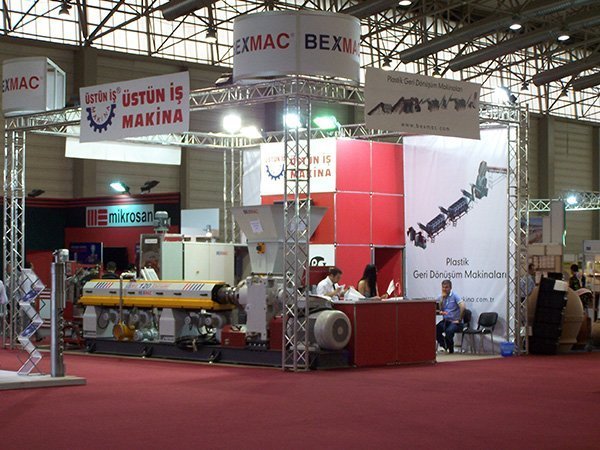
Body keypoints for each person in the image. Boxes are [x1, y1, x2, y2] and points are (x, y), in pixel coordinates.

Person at [435, 279, 465, 354]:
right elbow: (439, 309)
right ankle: (445, 345)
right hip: (446, 321)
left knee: (449, 331)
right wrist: (442, 300)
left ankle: (450, 349)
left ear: (450, 288)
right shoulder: (440, 297)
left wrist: (459, 319)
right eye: (443, 287)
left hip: (455, 322)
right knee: (435, 330)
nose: (444, 289)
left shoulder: (455, 296)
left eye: (446, 287)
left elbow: (463, 307)